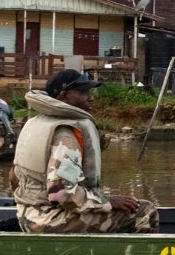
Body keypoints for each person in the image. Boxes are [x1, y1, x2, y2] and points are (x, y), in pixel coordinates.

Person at [9, 68, 157, 234]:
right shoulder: (66, 134)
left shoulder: (35, 123)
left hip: (26, 215)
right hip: (50, 222)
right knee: (144, 211)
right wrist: (106, 202)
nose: (91, 97)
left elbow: (13, 177)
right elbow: (59, 194)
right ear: (64, 96)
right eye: (83, 92)